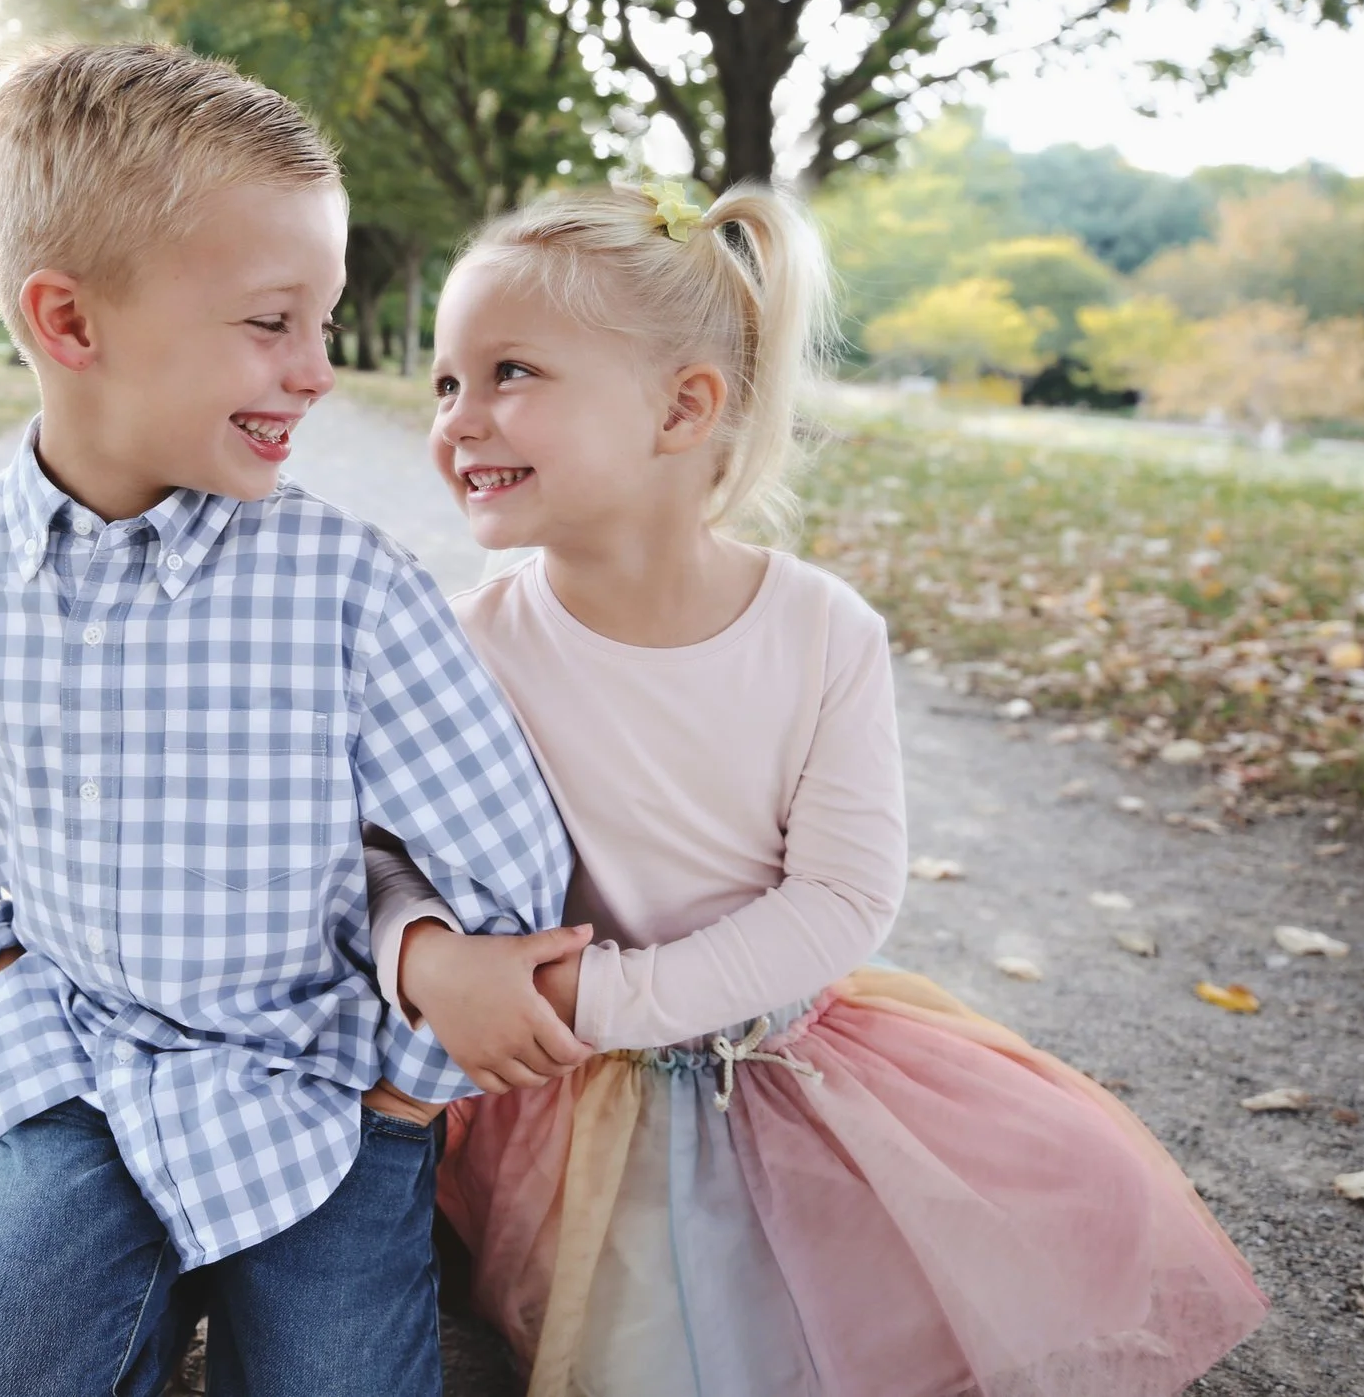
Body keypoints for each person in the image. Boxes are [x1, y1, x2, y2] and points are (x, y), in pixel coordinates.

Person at [366, 181, 1268, 1397]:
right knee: (668, 1348)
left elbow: (842, 894)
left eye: (508, 371)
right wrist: (428, 950)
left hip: (769, 1041)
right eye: (443, 382)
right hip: (573, 1090)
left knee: (1076, 1195)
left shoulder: (817, 628)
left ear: (685, 407)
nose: (459, 418)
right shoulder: (464, 644)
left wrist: (623, 991)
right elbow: (376, 847)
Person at [0, 43, 586, 1397]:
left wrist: (407, 1089)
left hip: (322, 1084)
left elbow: (503, 865)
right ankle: (130, 1279)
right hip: (85, 1060)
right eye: (269, 321)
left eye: (326, 323)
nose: (315, 371)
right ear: (70, 324)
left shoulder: (346, 586)